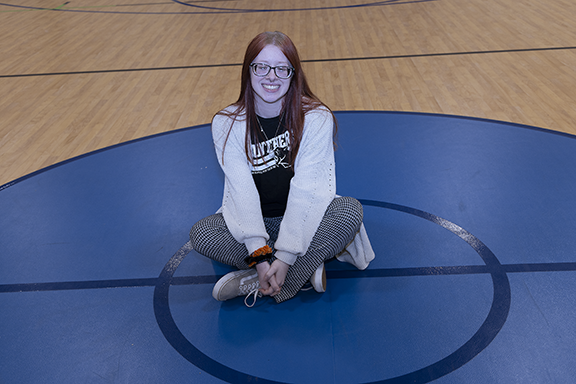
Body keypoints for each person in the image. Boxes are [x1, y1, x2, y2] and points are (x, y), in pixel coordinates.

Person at [190, 31, 374, 306]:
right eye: (261, 67)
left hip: (308, 221)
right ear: (248, 71)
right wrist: (261, 254)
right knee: (203, 233)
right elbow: (242, 193)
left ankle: (263, 281)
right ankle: (301, 270)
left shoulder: (315, 118)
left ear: (293, 74)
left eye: (281, 69)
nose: (271, 76)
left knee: (349, 212)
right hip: (256, 222)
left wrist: (285, 257)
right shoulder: (227, 123)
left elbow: (308, 191)